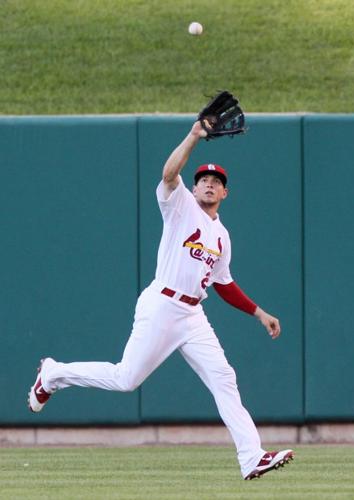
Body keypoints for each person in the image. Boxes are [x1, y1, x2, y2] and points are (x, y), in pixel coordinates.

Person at [28, 119, 293, 480]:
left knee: (224, 378)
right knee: (126, 379)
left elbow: (224, 284)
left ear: (225, 193)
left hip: (193, 315)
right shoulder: (180, 204)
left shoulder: (221, 236)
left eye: (217, 182)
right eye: (204, 180)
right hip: (162, 304)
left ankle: (252, 457)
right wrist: (194, 136)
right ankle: (54, 373)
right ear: (195, 187)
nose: (209, 184)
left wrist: (259, 313)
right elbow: (170, 173)